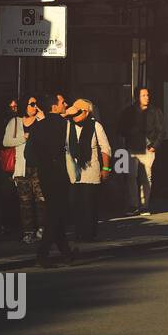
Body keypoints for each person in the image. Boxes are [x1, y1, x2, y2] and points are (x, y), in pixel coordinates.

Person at [27, 91, 75, 267]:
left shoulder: (37, 126)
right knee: (55, 213)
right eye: (62, 102)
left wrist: (42, 162)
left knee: (55, 211)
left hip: (44, 172)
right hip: (61, 173)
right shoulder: (65, 124)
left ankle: (66, 252)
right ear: (54, 106)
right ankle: (43, 253)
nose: (65, 104)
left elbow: (29, 155)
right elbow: (73, 149)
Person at [64, 99, 112, 243]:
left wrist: (106, 168)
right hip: (73, 171)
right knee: (75, 203)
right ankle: (78, 232)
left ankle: (89, 234)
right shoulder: (68, 125)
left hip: (91, 171)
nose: (75, 116)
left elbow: (106, 148)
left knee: (89, 203)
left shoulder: (96, 126)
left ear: (86, 113)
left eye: (78, 113)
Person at [3, 96, 47, 244]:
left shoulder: (41, 121)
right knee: (25, 202)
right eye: (32, 104)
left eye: (36, 104)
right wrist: (24, 137)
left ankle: (42, 229)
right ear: (24, 106)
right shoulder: (15, 122)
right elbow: (6, 141)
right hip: (22, 168)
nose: (35, 107)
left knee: (41, 200)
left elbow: (49, 138)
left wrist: (43, 120)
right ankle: (28, 232)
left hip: (39, 166)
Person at [118, 87, 163, 215]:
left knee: (146, 177)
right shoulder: (128, 112)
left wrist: (155, 145)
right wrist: (128, 135)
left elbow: (160, 130)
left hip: (148, 147)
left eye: (147, 95)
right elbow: (121, 128)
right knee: (131, 176)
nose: (147, 97)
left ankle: (144, 205)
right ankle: (133, 204)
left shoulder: (155, 111)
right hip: (132, 147)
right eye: (143, 95)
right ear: (137, 97)